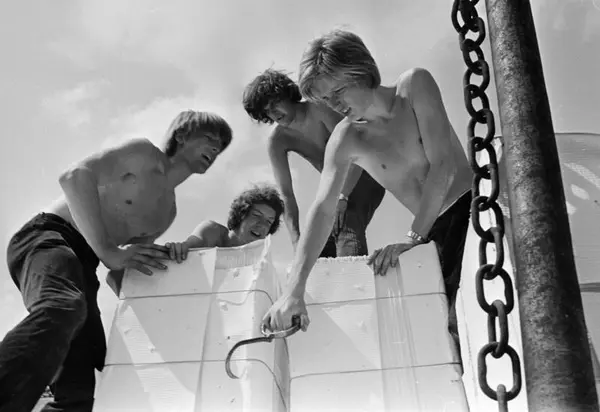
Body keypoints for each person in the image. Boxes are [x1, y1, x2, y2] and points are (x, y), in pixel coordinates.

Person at [0, 110, 233, 412]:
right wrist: (110, 252)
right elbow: (74, 177)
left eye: (220, 146)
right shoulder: (144, 154)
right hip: (49, 236)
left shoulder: (167, 213)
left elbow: (122, 274)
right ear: (181, 136)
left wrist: (168, 304)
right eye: (210, 138)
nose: (215, 148)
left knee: (83, 381)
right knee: (62, 306)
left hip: (86, 263)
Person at [262, 30, 473, 361]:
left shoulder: (413, 86)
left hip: (473, 210)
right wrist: (293, 291)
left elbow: (443, 166)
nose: (334, 105)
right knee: (454, 333)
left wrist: (413, 238)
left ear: (361, 70)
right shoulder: (346, 139)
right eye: (325, 99)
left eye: (337, 92)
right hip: (435, 234)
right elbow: (322, 210)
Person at [243, 69, 385, 258]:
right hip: (334, 187)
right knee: (315, 244)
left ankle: (355, 275)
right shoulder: (278, 141)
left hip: (365, 173)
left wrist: (342, 197)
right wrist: (297, 241)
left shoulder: (318, 108)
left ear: (287, 94)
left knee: (346, 222)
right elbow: (287, 196)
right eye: (266, 110)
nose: (274, 113)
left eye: (275, 104)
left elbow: (356, 150)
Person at [164, 184, 285, 262]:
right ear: (241, 215)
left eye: (269, 221)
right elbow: (189, 247)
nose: (262, 225)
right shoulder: (212, 232)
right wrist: (179, 248)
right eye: (256, 215)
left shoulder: (258, 262)